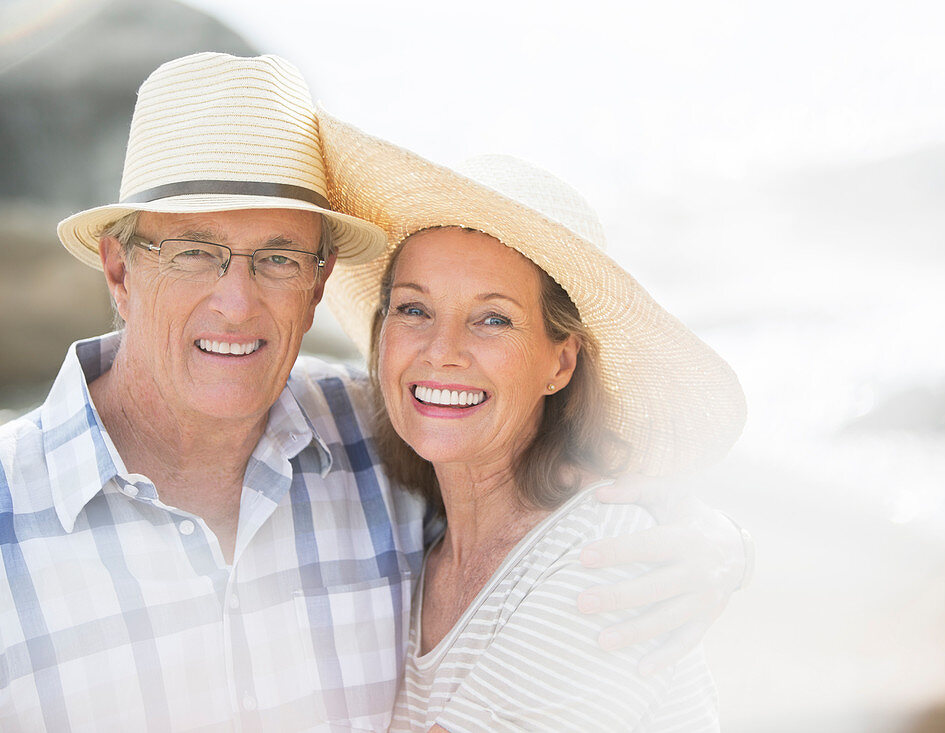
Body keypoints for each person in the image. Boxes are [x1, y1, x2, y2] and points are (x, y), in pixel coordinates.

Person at [0, 53, 749, 731]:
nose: (236, 304)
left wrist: (718, 543)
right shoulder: (9, 510)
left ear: (321, 282)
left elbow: (556, 499)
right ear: (120, 270)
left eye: (279, 259)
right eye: (196, 252)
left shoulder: (378, 437)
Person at [317, 114, 747, 730]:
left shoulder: (606, 557)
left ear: (560, 362)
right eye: (413, 308)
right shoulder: (423, 543)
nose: (441, 350)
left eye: (493, 319)